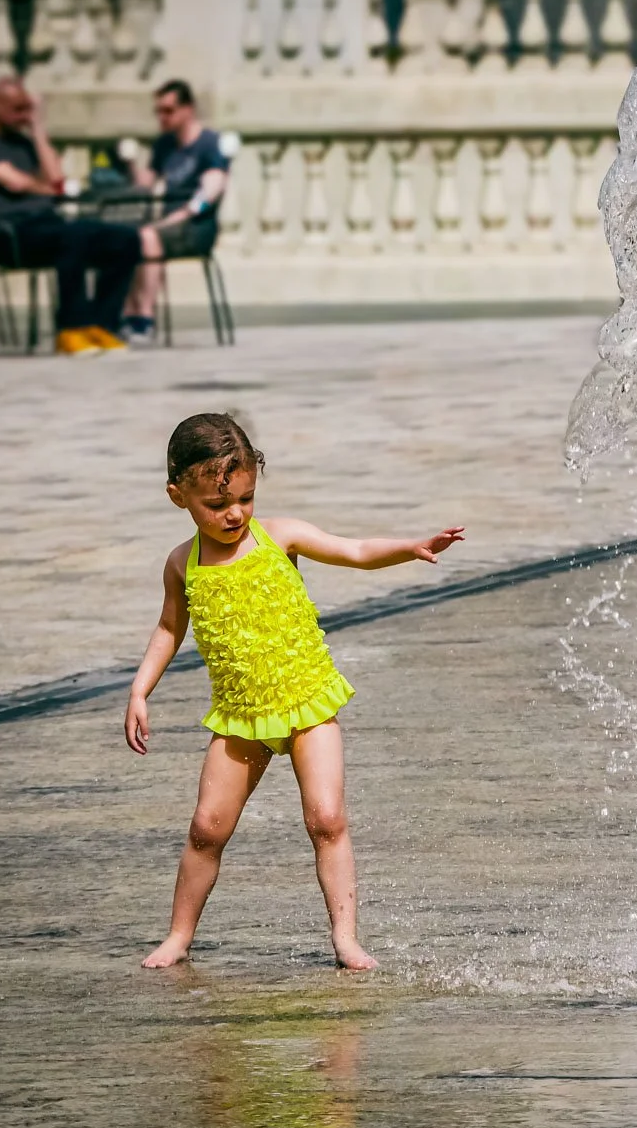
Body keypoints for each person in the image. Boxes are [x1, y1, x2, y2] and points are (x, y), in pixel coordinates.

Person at [125, 412, 465, 970]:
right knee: (206, 829)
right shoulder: (181, 564)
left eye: (245, 498)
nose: (234, 513)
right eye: (216, 505)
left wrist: (410, 546)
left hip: (307, 701)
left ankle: (346, 938)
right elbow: (170, 627)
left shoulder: (280, 536)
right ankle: (178, 937)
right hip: (241, 715)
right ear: (177, 495)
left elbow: (353, 550)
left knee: (326, 819)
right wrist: (141, 691)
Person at [0, 76, 141, 356]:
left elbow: (56, 178)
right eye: (19, 110)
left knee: (125, 238)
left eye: (28, 110)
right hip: (7, 233)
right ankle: (71, 328)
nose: (24, 117)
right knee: (72, 237)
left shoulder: (23, 141)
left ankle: (102, 325)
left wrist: (39, 130)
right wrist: (46, 190)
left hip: (44, 226)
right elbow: (13, 181)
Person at [119, 80, 231, 343]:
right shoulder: (164, 145)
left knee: (148, 236)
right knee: (124, 236)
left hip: (197, 226)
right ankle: (126, 312)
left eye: (168, 110)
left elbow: (211, 192)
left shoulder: (209, 143)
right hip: (167, 224)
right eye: (158, 111)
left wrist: (183, 214)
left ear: (188, 109)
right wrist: (131, 163)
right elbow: (145, 184)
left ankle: (144, 319)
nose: (162, 117)